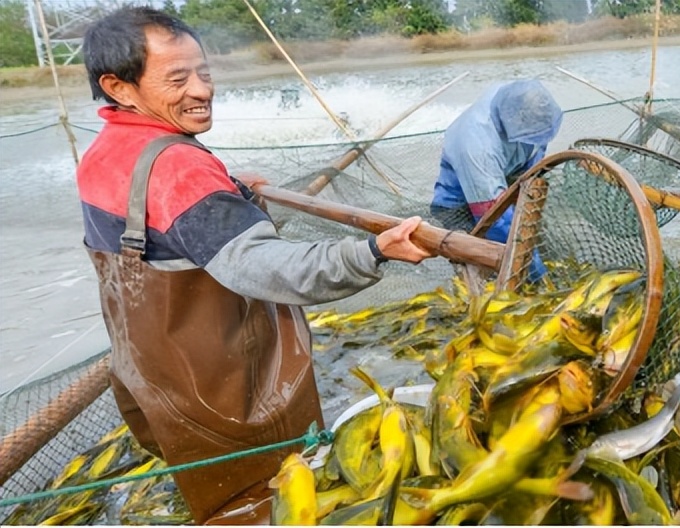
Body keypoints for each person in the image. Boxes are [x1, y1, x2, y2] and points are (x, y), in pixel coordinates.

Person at [77, 7, 432, 525]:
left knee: (217, 499)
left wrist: (231, 193)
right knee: (275, 500)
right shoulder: (179, 166)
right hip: (230, 393)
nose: (201, 89)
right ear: (120, 87)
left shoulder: (107, 150)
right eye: (177, 78)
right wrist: (372, 251)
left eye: (204, 72)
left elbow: (158, 227)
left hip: (156, 381)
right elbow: (267, 268)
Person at [430, 79, 563, 278]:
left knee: (534, 240)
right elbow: (494, 218)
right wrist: (537, 274)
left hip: (506, 179)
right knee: (485, 265)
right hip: (461, 206)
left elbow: (538, 147)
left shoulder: (520, 97)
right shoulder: (476, 147)